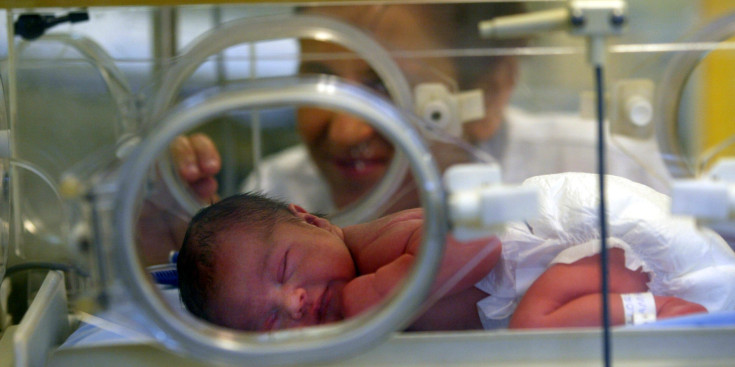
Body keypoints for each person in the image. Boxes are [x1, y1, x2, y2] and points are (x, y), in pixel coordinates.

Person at [171, 3, 671, 218]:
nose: (345, 131)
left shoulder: (604, 172)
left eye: (386, 87)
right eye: (320, 81)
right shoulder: (283, 193)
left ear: (493, 89)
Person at [177, 173, 735, 332]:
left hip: (598, 256)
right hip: (569, 284)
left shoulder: (380, 242)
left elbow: (480, 242)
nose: (295, 301)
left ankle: (653, 311)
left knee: (535, 334)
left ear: (312, 218)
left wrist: (372, 296)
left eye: (284, 270)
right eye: (271, 319)